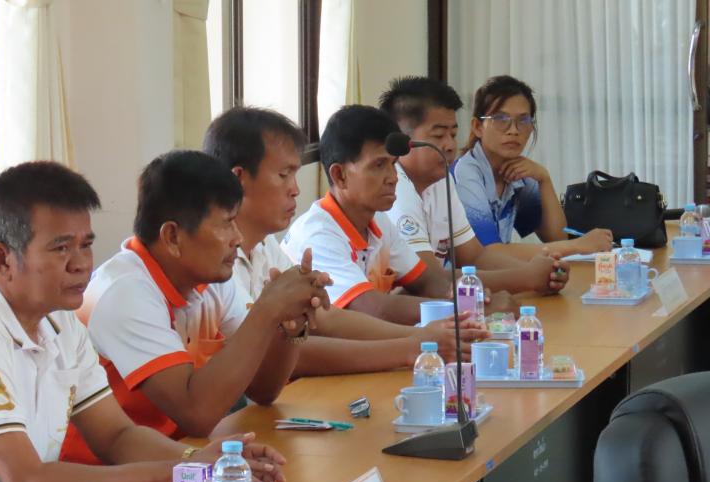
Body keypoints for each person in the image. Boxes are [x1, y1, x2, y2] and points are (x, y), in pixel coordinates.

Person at [0, 162, 286, 482]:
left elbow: (117, 436)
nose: (81, 263)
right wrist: (185, 470)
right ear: (3, 259)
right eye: (61, 248)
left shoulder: (60, 323)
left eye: (86, 244)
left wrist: (210, 462)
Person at [59, 150, 330, 465]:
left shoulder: (210, 279)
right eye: (226, 224)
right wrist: (268, 309)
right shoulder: (123, 293)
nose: (238, 237)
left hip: (180, 456)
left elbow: (264, 390)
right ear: (172, 236)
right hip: (109, 474)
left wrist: (290, 326)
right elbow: (197, 414)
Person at [203, 107, 487, 375]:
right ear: (239, 179)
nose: (295, 189)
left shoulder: (266, 248)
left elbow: (324, 316)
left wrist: (422, 337)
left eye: (393, 165)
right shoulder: (217, 264)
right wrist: (414, 344)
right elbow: (284, 354)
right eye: (283, 175)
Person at [282, 104, 515, 327]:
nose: (393, 177)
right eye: (379, 165)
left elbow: (426, 281)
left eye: (393, 164)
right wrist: (467, 311)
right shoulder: (319, 234)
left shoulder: (377, 221)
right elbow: (371, 308)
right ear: (340, 175)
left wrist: (470, 298)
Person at [379, 76, 571, 295]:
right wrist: (527, 277)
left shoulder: (441, 180)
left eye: (453, 134)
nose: (450, 145)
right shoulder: (395, 189)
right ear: (400, 141)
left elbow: (475, 256)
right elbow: (430, 279)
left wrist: (543, 273)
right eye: (439, 135)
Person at [454, 75, 612, 258]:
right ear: (477, 127)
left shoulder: (518, 171)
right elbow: (487, 253)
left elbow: (556, 237)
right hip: (460, 276)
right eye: (501, 119)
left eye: (523, 120)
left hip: (497, 273)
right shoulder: (465, 173)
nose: (513, 130)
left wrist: (544, 179)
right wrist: (578, 245)